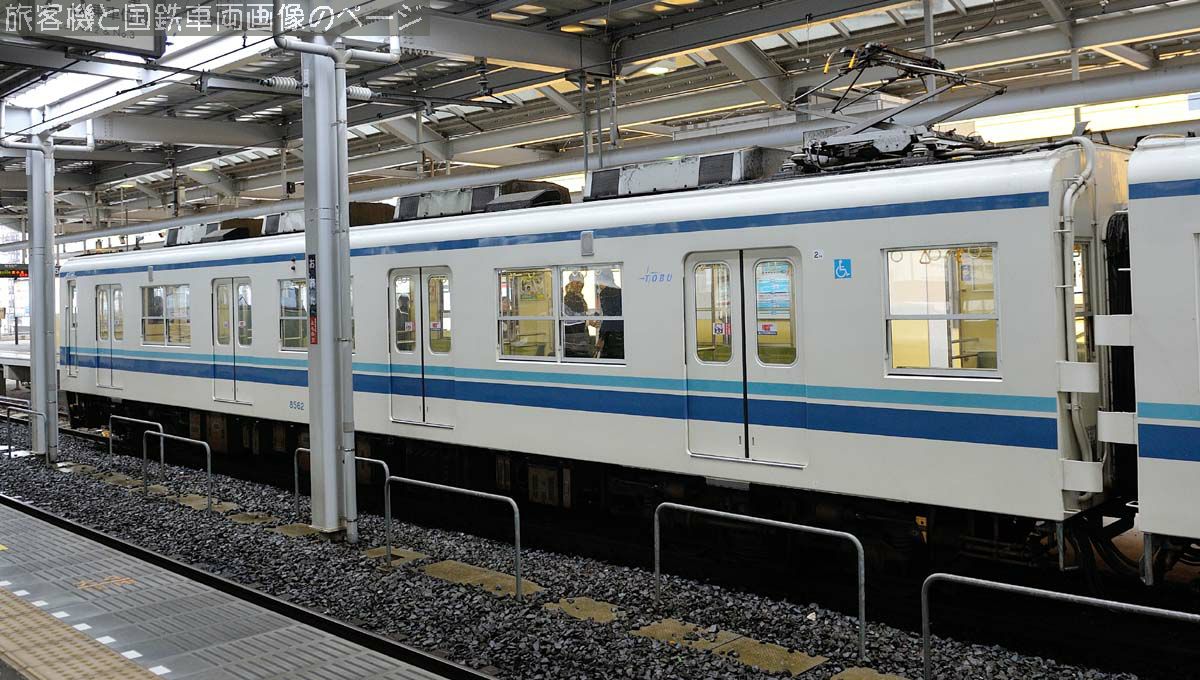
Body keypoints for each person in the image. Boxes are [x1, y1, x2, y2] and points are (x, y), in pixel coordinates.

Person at [595, 268, 623, 360]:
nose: (598, 284)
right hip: (621, 332)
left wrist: (601, 337)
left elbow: (608, 318)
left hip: (610, 335)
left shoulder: (605, 293)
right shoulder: (620, 291)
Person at [562, 271, 591, 357]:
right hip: (573, 338)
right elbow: (574, 317)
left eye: (581, 283)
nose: (579, 285)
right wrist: (588, 321)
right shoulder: (570, 297)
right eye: (577, 283)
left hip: (578, 336)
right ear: (571, 283)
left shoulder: (578, 296)